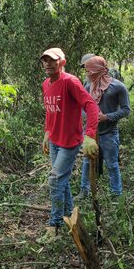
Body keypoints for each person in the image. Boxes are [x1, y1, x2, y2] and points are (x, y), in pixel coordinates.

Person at [40, 48, 99, 240]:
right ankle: (70, 219)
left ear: (62, 62)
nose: (48, 64)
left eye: (52, 60)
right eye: (45, 60)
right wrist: (47, 133)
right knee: (62, 183)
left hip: (69, 143)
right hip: (55, 142)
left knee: (55, 180)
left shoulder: (70, 82)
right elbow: (50, 112)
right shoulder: (46, 84)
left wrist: (89, 134)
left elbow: (91, 106)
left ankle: (53, 225)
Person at [76, 56, 130, 200]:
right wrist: (85, 116)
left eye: (89, 71)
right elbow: (83, 106)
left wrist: (106, 117)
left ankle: (116, 195)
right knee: (87, 162)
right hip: (91, 133)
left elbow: (126, 110)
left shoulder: (118, 87)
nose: (87, 74)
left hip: (109, 133)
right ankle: (84, 191)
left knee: (112, 164)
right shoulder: (88, 87)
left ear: (97, 70)